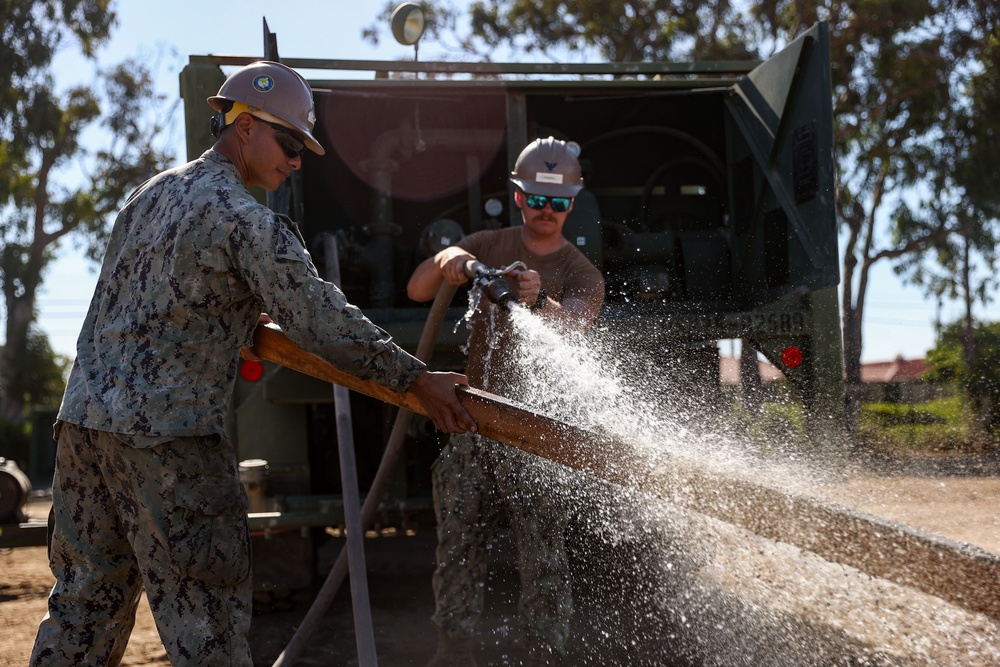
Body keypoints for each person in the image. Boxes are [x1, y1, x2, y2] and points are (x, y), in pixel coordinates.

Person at [29, 61, 475, 667]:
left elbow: (150, 300)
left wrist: (234, 320)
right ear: (242, 126)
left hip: (83, 431)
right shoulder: (246, 220)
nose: (296, 161)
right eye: (289, 144)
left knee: (81, 611)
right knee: (207, 628)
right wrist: (417, 379)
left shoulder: (149, 194)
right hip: (172, 444)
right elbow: (322, 322)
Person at [407, 136, 606, 666]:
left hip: (535, 429)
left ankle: (545, 651)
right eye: (537, 200)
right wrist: (450, 258)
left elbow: (576, 328)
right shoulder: (488, 245)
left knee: (543, 551)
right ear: (519, 198)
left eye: (558, 202)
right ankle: (454, 649)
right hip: (470, 419)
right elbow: (418, 289)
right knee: (457, 542)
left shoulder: (583, 273)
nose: (547, 211)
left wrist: (539, 298)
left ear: (572, 204)